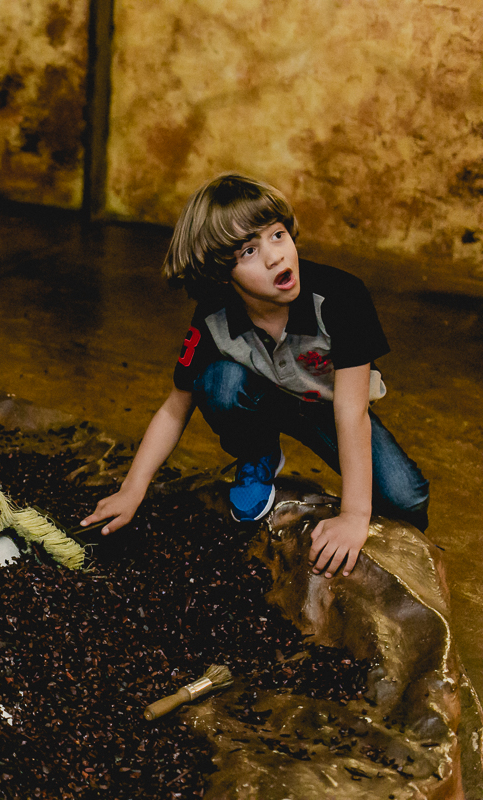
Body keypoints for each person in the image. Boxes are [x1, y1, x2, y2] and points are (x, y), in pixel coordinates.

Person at [82, 174, 429, 577]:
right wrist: (132, 489)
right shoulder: (213, 315)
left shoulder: (342, 297)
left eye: (278, 235)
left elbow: (352, 413)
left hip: (329, 408)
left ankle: (416, 557)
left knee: (406, 499)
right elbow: (175, 410)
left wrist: (354, 514)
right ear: (220, 274)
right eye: (249, 250)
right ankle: (259, 453)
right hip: (262, 399)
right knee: (218, 382)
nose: (275, 257)